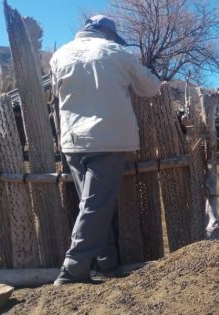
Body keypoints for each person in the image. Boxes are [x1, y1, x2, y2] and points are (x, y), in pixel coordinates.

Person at [50, 15, 161, 285]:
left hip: (73, 141)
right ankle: (73, 270)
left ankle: (107, 263)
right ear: (106, 33)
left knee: (93, 205)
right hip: (107, 139)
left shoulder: (59, 55)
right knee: (96, 206)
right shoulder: (118, 53)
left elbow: (55, 92)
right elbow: (150, 88)